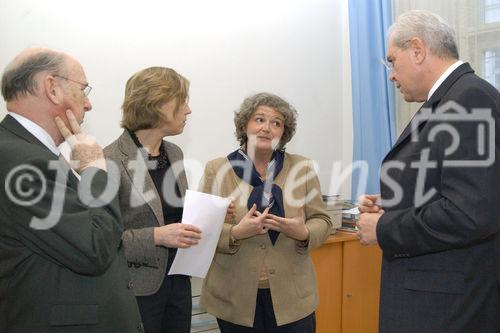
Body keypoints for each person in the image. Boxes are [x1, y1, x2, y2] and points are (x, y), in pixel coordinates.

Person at [357, 10, 500, 333]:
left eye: (392, 61)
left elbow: (469, 213)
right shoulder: (452, 99)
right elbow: (456, 189)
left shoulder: (468, 100)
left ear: (418, 50)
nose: (391, 75)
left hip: (447, 309)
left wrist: (384, 228)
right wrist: (394, 202)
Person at [0, 48, 143, 332]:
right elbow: (93, 246)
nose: (88, 104)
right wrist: (94, 170)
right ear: (52, 88)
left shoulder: (28, 151)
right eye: (83, 90)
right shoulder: (23, 160)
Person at [199, 92, 332, 332]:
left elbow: (322, 220)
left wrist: (303, 232)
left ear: (284, 132)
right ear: (244, 125)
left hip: (293, 298)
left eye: (276, 123)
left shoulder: (301, 168)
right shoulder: (217, 169)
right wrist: (237, 232)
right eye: (259, 119)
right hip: (234, 298)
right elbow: (202, 230)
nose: (266, 128)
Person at [104, 67, 202, 333]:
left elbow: (175, 216)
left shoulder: (175, 153)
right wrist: (157, 236)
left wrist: (209, 216)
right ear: (157, 104)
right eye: (182, 102)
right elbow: (103, 241)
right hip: (136, 289)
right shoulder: (109, 161)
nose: (188, 110)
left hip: (179, 280)